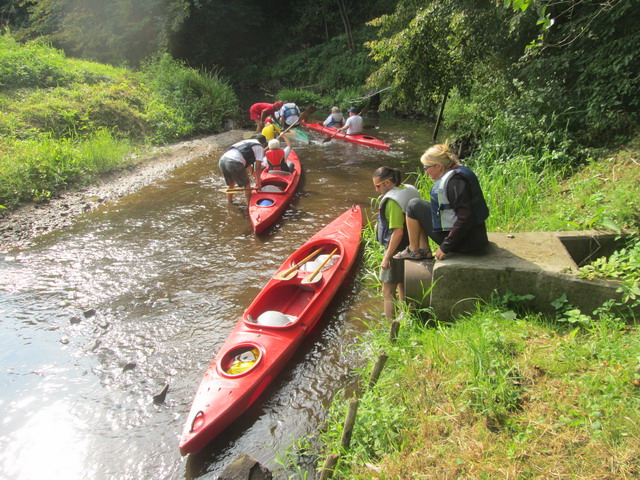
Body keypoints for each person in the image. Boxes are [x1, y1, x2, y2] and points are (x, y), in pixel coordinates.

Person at [393, 143, 490, 261]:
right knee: (419, 207)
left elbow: (465, 217)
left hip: (466, 243)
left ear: (439, 166)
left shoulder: (455, 183)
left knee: (413, 206)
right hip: (475, 237)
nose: (426, 172)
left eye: (426, 167)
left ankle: (414, 250)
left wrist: (445, 246)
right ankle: (424, 250)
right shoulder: (458, 172)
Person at [373, 166, 422, 320]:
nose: (376, 190)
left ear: (387, 183)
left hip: (397, 250)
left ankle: (390, 329)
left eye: (378, 185)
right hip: (412, 246)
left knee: (387, 292)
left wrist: (387, 257)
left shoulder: (392, 202)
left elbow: (397, 232)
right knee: (402, 284)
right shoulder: (409, 189)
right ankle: (405, 318)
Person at [218, 135, 268, 203]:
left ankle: (230, 202)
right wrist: (258, 183)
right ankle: (249, 204)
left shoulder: (246, 142)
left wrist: (255, 177)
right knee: (247, 184)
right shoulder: (259, 147)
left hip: (223, 160)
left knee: (231, 183)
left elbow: (248, 165)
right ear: (264, 143)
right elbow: (258, 167)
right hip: (234, 162)